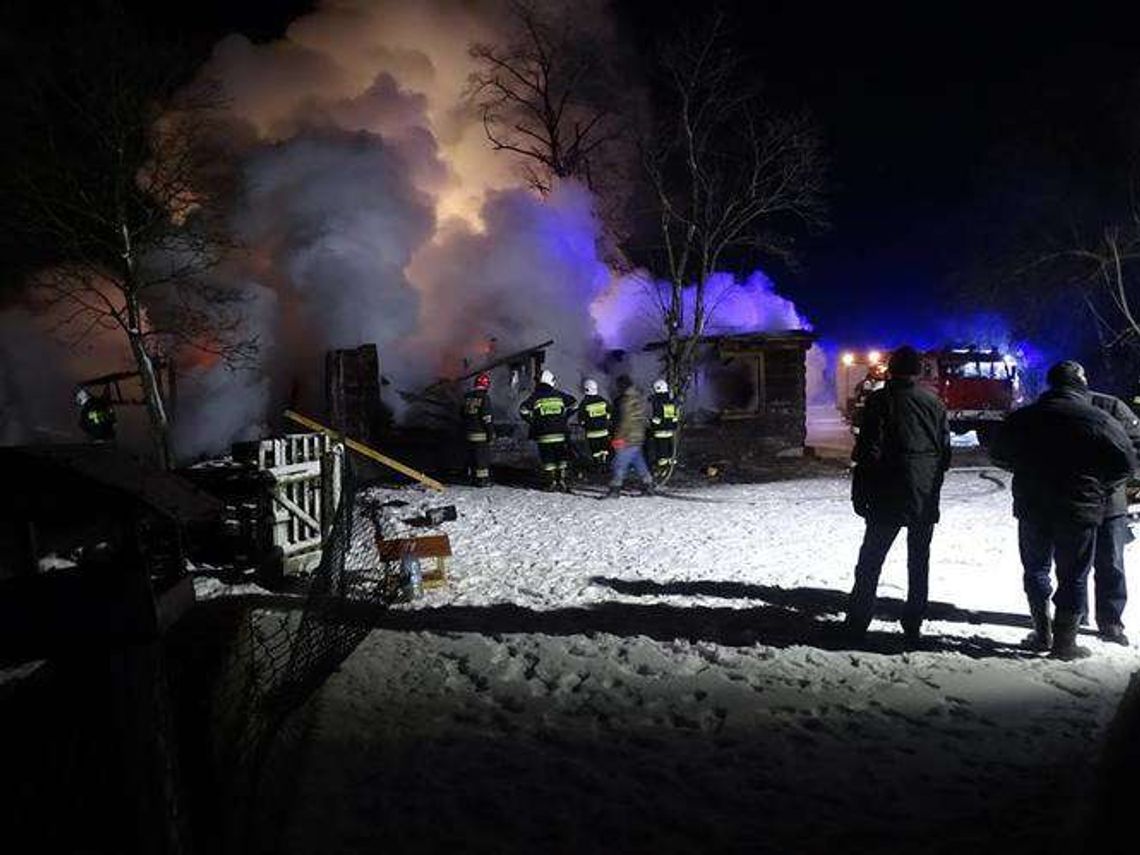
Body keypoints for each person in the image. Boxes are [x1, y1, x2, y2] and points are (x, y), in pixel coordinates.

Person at [990, 360, 1136, 659]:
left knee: (1036, 569)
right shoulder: (1101, 419)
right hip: (1079, 507)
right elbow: (1126, 464)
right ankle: (1065, 643)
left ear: (1050, 384)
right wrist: (1099, 484)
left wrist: (1025, 468)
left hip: (1033, 505)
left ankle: (1042, 632)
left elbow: (999, 454)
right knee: (1074, 575)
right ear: (1081, 384)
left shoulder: (1025, 418)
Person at [844, 345, 951, 645]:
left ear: (891, 369)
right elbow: (945, 454)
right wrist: (930, 483)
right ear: (917, 371)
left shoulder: (880, 401)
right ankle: (913, 622)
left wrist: (860, 491)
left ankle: (858, 621)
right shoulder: (935, 404)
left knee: (871, 559)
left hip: (887, 492)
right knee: (919, 561)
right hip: (923, 492)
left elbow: (868, 451)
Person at [1088, 384, 1140, 645]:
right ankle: (1106, 621)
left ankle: (1087, 618)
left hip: (1090, 502)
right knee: (1107, 563)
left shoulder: (1110, 407)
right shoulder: (1111, 406)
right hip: (1106, 501)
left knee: (1082, 563)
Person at [519, 369, 577, 492]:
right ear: (551, 381)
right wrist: (565, 417)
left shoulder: (536, 397)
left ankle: (551, 482)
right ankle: (561, 480)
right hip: (560, 434)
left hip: (543, 435)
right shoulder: (559, 395)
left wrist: (533, 422)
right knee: (561, 458)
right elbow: (575, 404)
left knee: (548, 459)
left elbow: (523, 410)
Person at [603, 375, 654, 498]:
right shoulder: (638, 398)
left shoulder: (626, 400)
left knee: (619, 463)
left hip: (627, 437)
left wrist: (617, 438)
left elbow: (625, 421)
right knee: (638, 461)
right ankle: (648, 485)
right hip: (638, 436)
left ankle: (615, 489)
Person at [461, 372, 494, 487]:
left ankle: (473, 478)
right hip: (480, 434)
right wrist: (490, 434)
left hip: (468, 434)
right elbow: (487, 418)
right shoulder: (484, 398)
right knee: (481, 459)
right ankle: (482, 480)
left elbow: (462, 414)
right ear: (486, 385)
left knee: (472, 457)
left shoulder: (467, 397)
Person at [576, 378, 612, 471]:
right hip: (604, 431)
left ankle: (597, 465)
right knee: (604, 449)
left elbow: (581, 419)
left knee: (595, 450)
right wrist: (605, 421)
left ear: (586, 389)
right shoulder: (602, 400)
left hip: (592, 433)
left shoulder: (584, 403)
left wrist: (584, 425)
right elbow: (609, 412)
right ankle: (604, 464)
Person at [648, 379, 679, 476]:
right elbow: (674, 417)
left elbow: (657, 418)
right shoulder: (671, 401)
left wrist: (651, 422)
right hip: (669, 430)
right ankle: (669, 470)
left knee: (661, 453)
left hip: (659, 431)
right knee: (668, 451)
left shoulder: (656, 402)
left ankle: (661, 469)